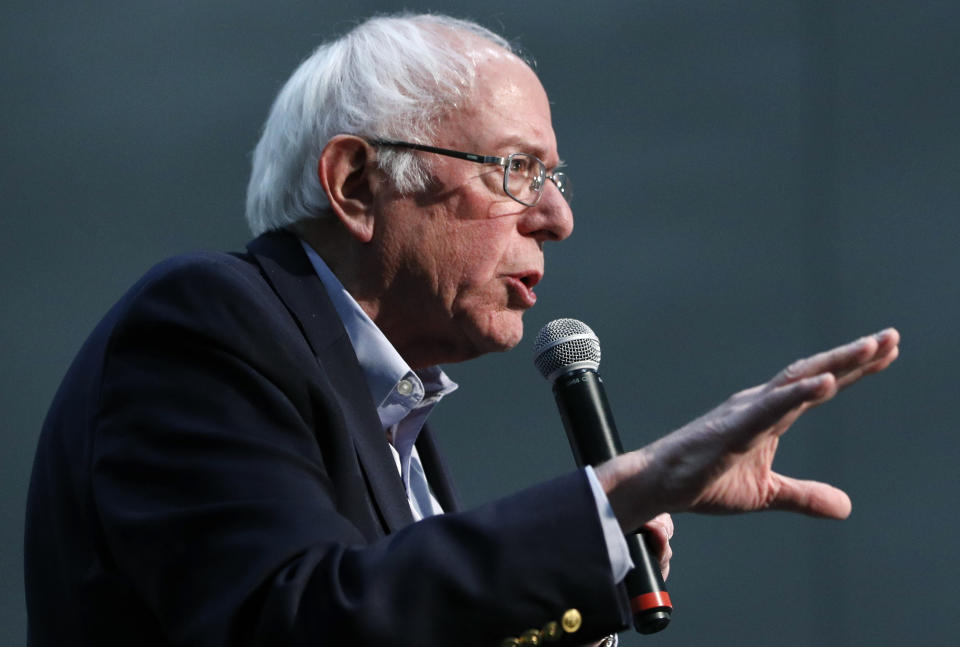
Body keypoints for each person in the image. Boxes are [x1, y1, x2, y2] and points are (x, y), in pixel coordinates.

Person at [24, 13, 900, 647]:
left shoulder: (385, 410)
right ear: (357, 183)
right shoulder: (205, 323)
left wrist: (574, 588)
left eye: (555, 176)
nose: (556, 217)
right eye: (517, 169)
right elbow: (293, 621)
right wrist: (619, 495)